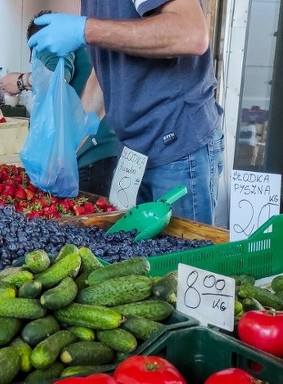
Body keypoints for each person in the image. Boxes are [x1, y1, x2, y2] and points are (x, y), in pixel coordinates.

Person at [27, 0, 224, 224]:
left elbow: (190, 33)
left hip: (176, 148)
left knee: (179, 256)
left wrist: (85, 29)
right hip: (133, 155)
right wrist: (66, 143)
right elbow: (105, 74)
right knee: (134, 255)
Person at [1, 11, 121, 197]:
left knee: (81, 221)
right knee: (95, 219)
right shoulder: (82, 46)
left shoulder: (46, 41)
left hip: (84, 155)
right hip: (104, 149)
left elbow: (56, 79)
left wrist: (20, 81)